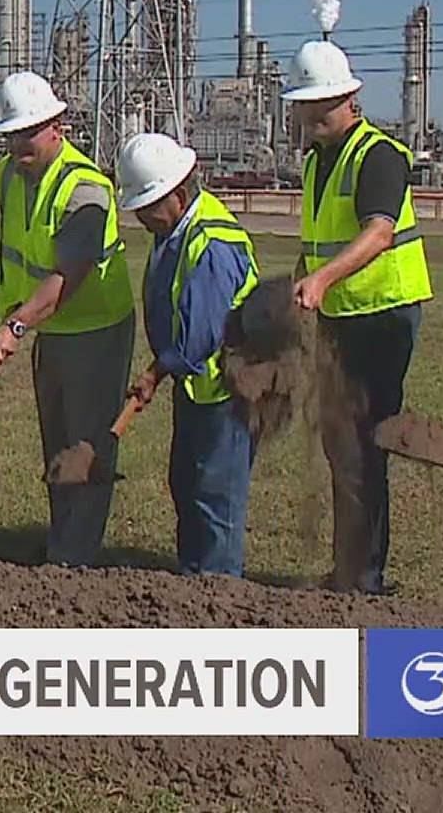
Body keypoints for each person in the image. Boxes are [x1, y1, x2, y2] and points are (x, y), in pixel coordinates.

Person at [283, 41, 432, 595]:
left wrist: (322, 280)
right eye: (304, 103)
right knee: (341, 445)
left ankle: (363, 577)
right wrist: (306, 276)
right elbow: (321, 238)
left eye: (323, 102)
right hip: (342, 317)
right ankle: (353, 569)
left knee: (362, 448)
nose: (312, 113)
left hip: (383, 315)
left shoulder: (379, 155)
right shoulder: (316, 162)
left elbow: (379, 232)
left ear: (351, 97)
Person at [0, 72, 137, 566]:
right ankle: (63, 539)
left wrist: (17, 325)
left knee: (86, 445)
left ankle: (74, 556)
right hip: (49, 329)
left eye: (27, 133)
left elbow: (69, 275)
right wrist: (13, 310)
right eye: (10, 134)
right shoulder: (10, 174)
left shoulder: (85, 189)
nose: (17, 144)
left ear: (58, 125)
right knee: (56, 441)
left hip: (93, 330)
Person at [117, 133, 259, 576]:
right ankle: (192, 582)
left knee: (217, 495)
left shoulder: (211, 244)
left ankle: (218, 592)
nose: (142, 217)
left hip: (229, 389)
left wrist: (155, 372)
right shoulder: (175, 231)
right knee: (188, 484)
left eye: (149, 206)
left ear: (178, 194)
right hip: (198, 386)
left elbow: (204, 334)